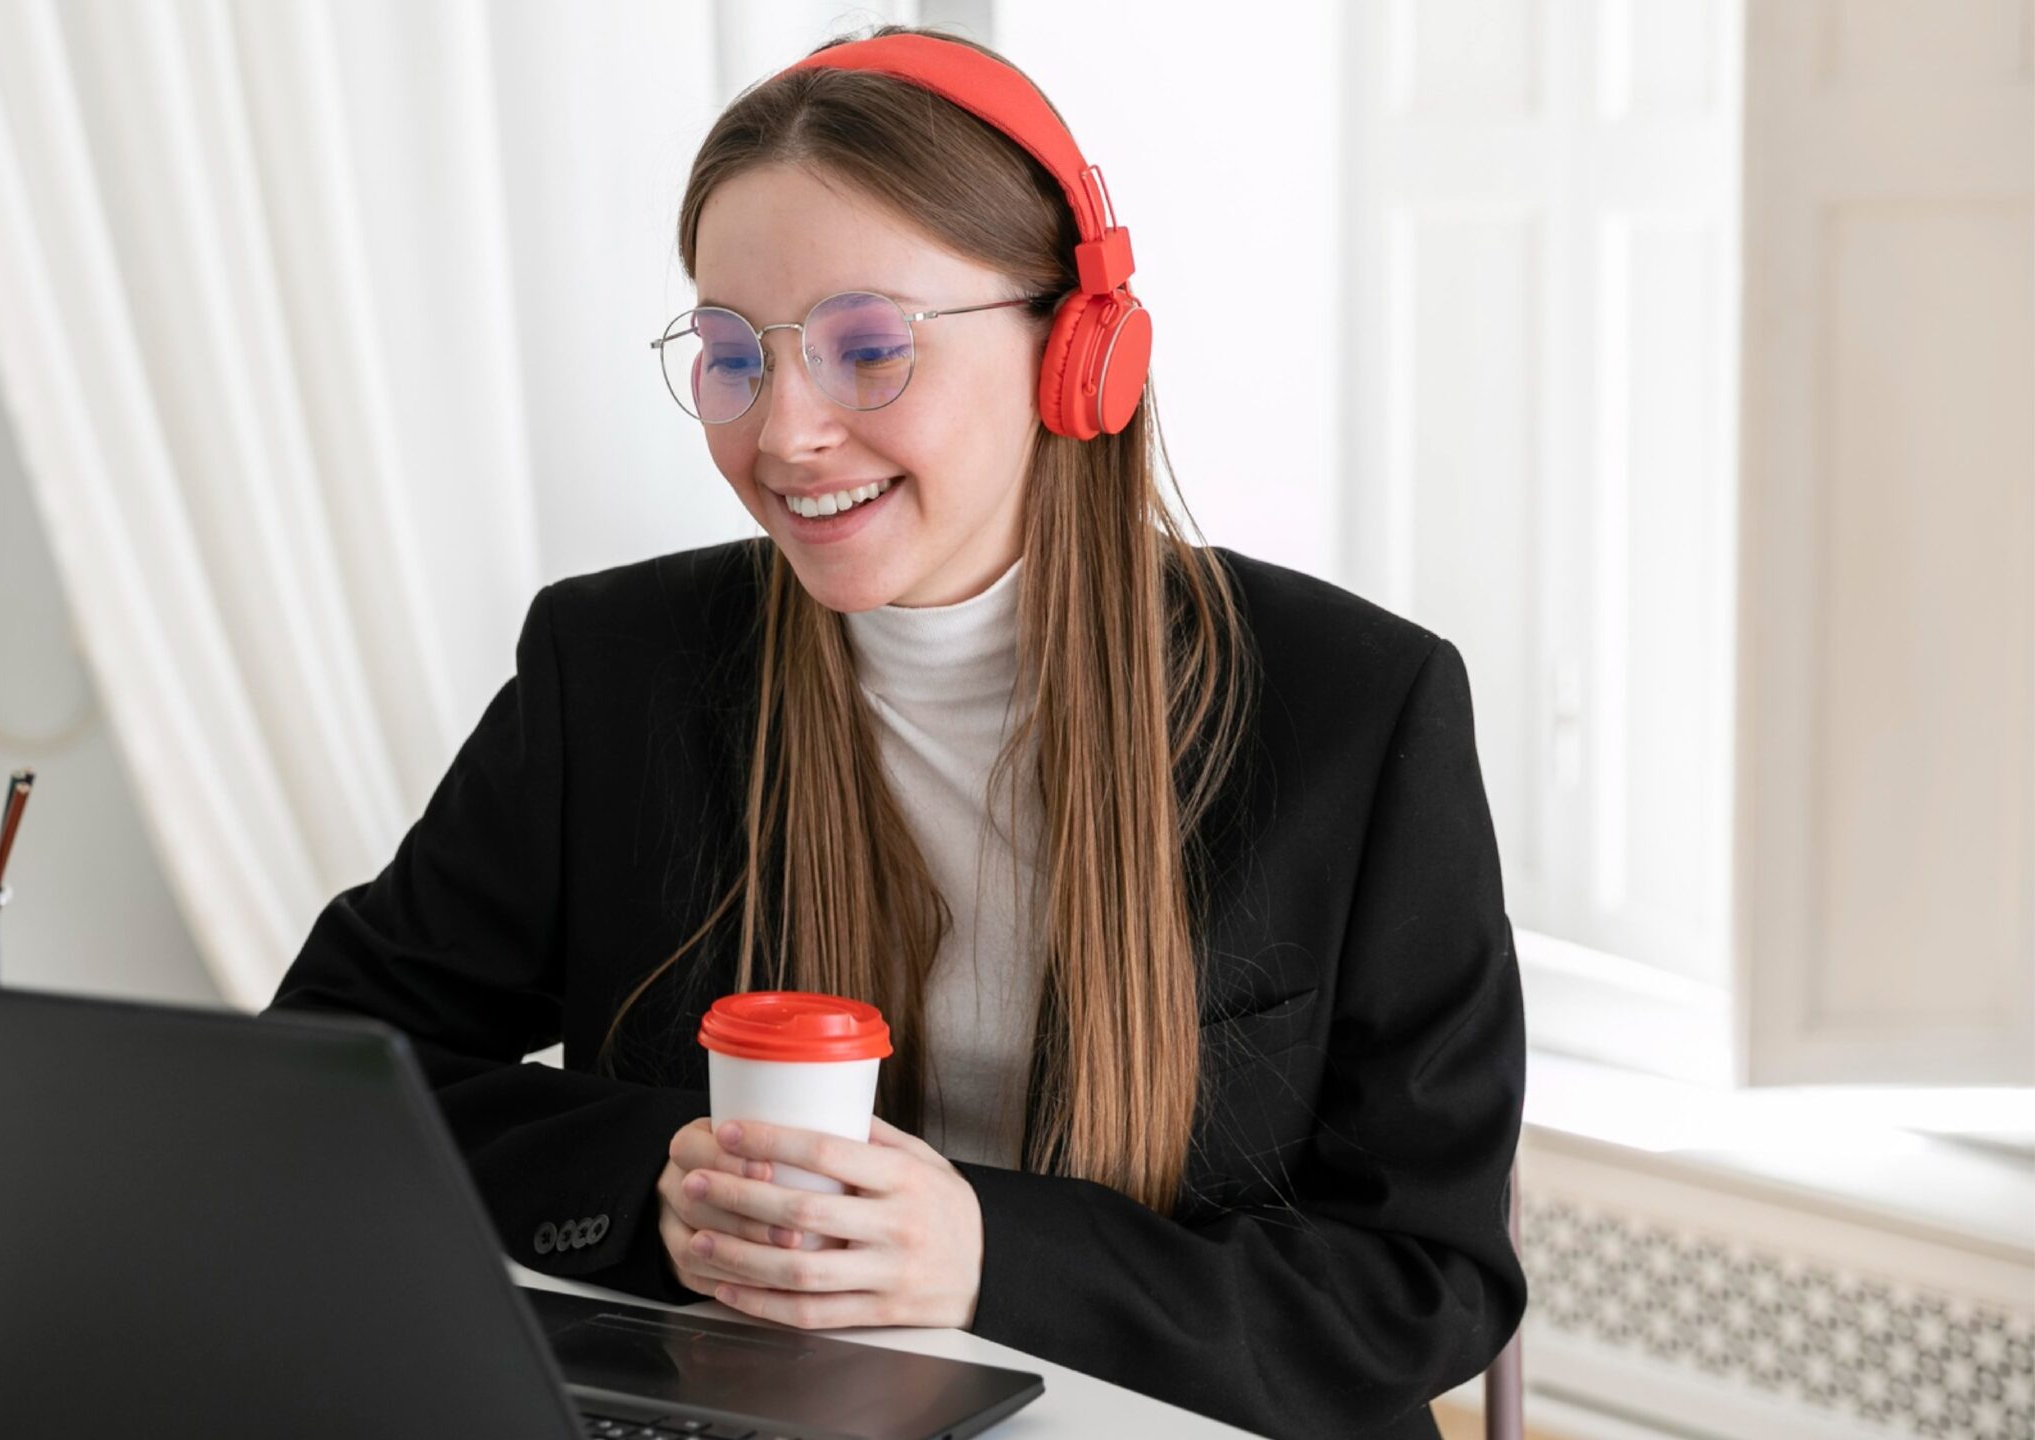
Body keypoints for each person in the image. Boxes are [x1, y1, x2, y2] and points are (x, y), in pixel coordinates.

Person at [268, 24, 1525, 1439]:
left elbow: (1426, 1283)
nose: (785, 431)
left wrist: (989, 1254)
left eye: (870, 348)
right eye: (734, 356)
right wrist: (655, 1185)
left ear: (1078, 355)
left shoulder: (1357, 709)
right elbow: (329, 1066)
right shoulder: (613, 669)